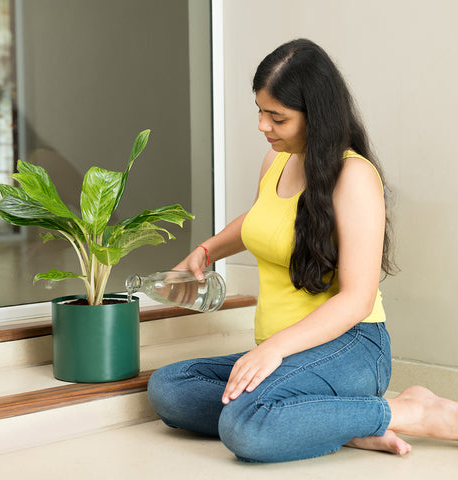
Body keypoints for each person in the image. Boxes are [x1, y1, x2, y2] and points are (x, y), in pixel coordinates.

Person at [147, 38, 458, 463]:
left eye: (277, 116)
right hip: (283, 354)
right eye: (260, 110)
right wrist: (206, 250)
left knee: (244, 426)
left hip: (350, 346)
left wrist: (273, 349)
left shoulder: (354, 177)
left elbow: (357, 298)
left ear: (317, 116)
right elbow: (262, 222)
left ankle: (408, 411)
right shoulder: (276, 160)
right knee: (171, 387)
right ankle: (333, 421)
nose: (263, 125)